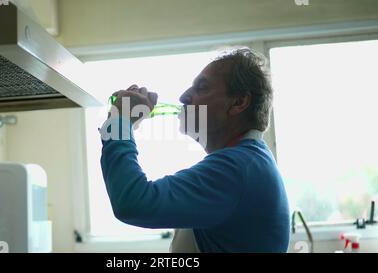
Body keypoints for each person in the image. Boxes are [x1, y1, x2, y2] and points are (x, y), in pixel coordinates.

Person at [99, 48, 290, 253]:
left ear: (239, 102)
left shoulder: (235, 168)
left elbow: (132, 202)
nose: (183, 97)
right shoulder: (249, 161)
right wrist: (125, 125)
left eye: (202, 87)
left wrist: (119, 122)